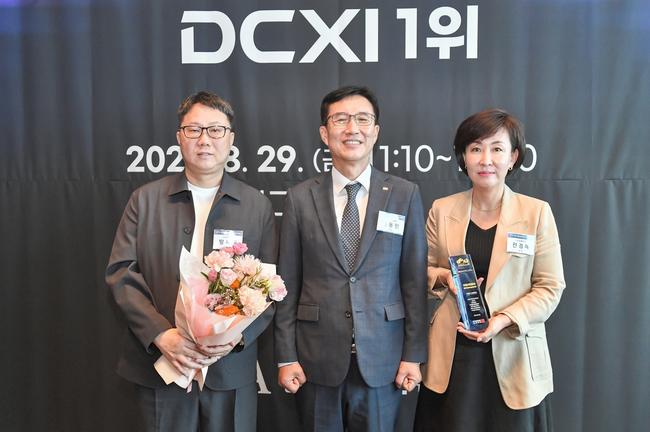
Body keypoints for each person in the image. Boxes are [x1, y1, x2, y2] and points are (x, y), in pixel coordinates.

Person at [106, 91, 277, 432]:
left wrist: (235, 338)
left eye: (215, 130)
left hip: (230, 371)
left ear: (230, 139)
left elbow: (271, 287)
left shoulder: (256, 206)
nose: (204, 140)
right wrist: (160, 334)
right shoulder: (145, 200)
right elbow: (121, 274)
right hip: (161, 366)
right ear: (179, 137)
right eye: (194, 129)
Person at [274, 85, 428, 432]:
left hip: (384, 361)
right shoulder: (300, 198)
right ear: (324, 133)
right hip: (316, 360)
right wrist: (286, 357)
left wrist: (413, 355)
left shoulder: (404, 194)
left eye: (362, 119)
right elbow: (287, 283)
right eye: (340, 120)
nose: (352, 129)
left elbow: (414, 282)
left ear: (376, 131)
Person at [414, 109, 565, 432]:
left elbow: (550, 287)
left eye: (497, 149)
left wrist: (504, 319)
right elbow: (421, 271)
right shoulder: (442, 209)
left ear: (513, 157)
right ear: (463, 157)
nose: (485, 160)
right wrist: (445, 278)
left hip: (513, 352)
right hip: (453, 357)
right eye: (475, 149)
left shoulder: (536, 213)